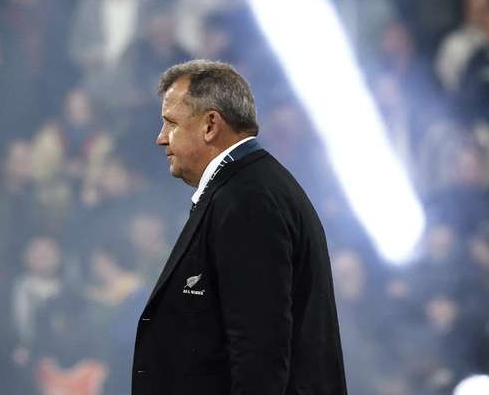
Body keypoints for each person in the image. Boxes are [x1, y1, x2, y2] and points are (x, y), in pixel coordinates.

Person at [132, 60, 347, 394]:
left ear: (210, 125)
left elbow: (260, 353)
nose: (161, 138)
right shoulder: (246, 189)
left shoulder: (248, 200)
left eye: (170, 123)